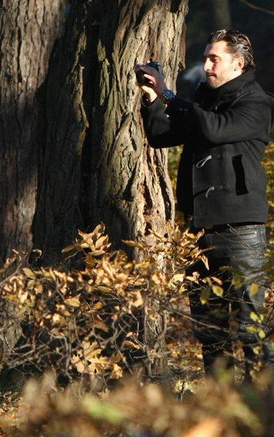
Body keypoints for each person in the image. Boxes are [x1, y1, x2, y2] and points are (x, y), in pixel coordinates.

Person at [135, 30, 274, 377]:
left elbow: (213, 130)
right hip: (199, 229)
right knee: (209, 330)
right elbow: (162, 136)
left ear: (238, 63)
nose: (206, 65)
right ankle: (218, 407)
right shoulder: (203, 100)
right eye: (206, 57)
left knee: (249, 326)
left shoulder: (255, 102)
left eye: (215, 59)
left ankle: (264, 408)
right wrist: (154, 99)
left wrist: (169, 94)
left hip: (241, 230)